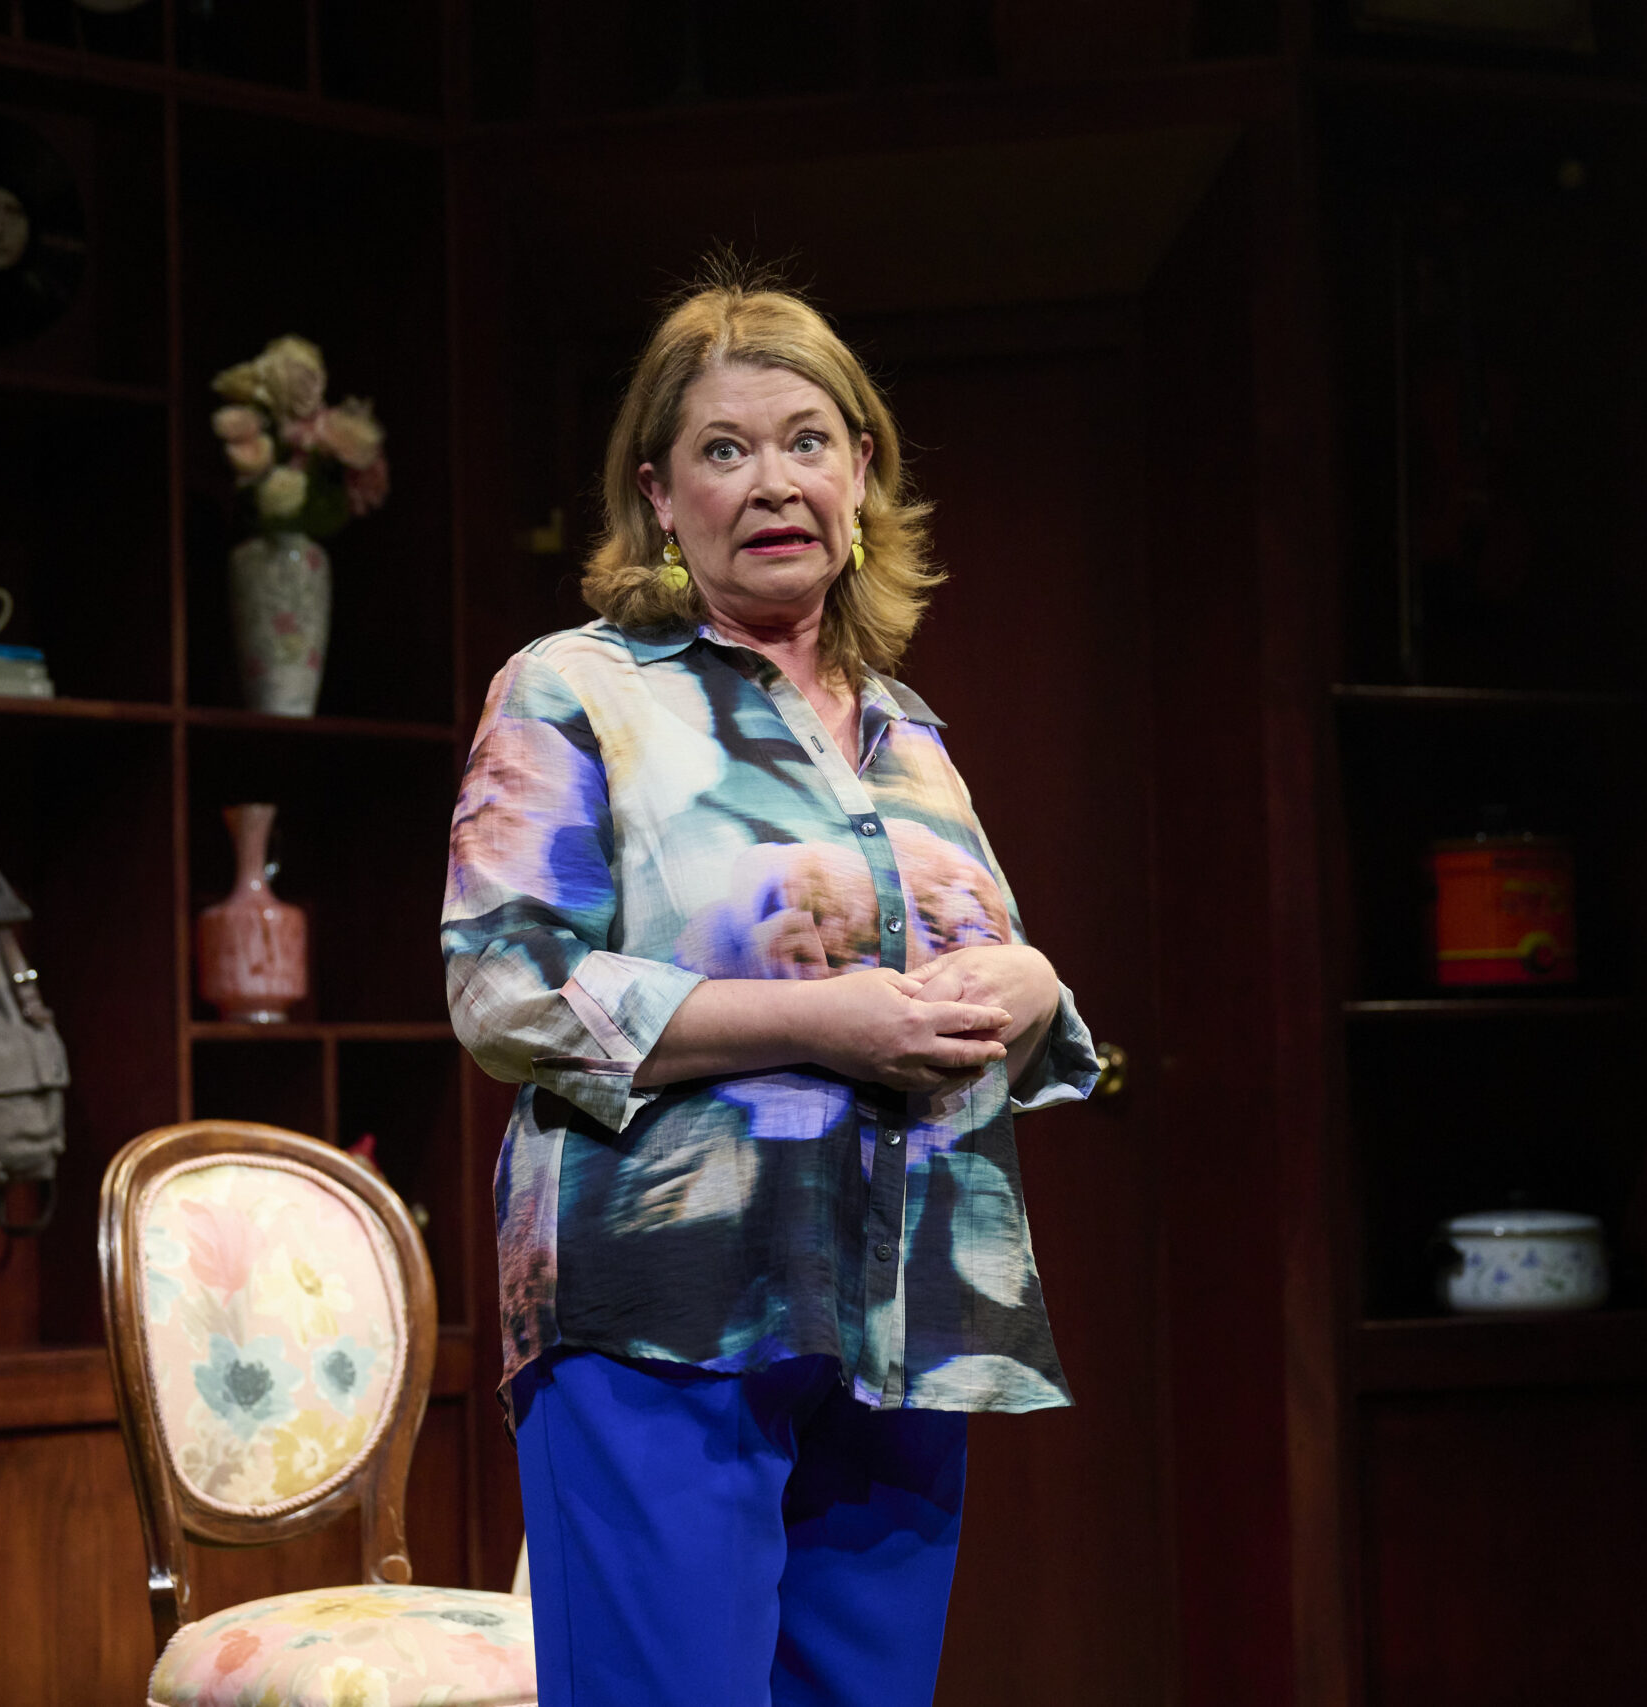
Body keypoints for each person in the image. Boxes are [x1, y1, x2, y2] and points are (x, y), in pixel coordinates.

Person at [441, 273, 1100, 1707]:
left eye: (808, 441)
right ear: (658, 497)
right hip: (667, 1315)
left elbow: (989, 977)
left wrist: (1038, 984)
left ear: (864, 473)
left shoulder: (910, 737)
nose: (772, 481)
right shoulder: (577, 690)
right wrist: (821, 1019)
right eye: (723, 451)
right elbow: (506, 990)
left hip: (912, 1320)